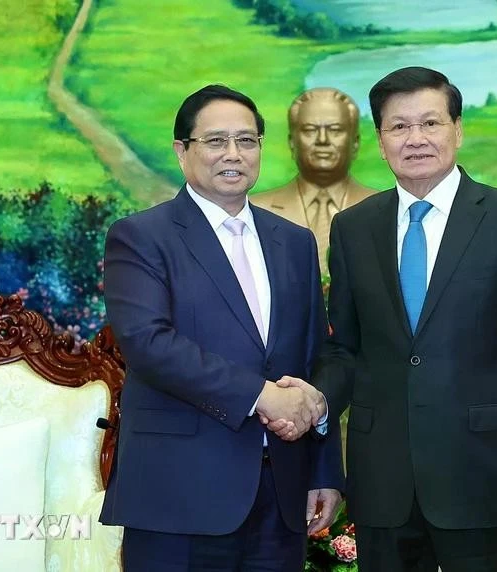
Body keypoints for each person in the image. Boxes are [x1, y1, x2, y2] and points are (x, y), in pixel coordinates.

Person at [279, 66, 497, 571]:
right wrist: (318, 399)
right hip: (382, 482)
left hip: (481, 479)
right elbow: (345, 347)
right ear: (381, 140)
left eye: (430, 124)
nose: (416, 140)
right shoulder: (353, 228)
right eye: (399, 127)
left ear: (457, 130)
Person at [99, 84, 344, 572]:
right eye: (215, 141)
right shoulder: (141, 236)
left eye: (247, 141)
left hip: (282, 497)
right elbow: (150, 344)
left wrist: (324, 470)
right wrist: (263, 396)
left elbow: (317, 356)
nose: (233, 154)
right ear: (182, 151)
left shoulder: (293, 242)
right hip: (179, 498)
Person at [250, 87, 374, 274]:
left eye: (335, 130)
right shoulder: (255, 210)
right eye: (310, 130)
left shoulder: (384, 211)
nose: (322, 140)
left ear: (355, 143)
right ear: (292, 143)